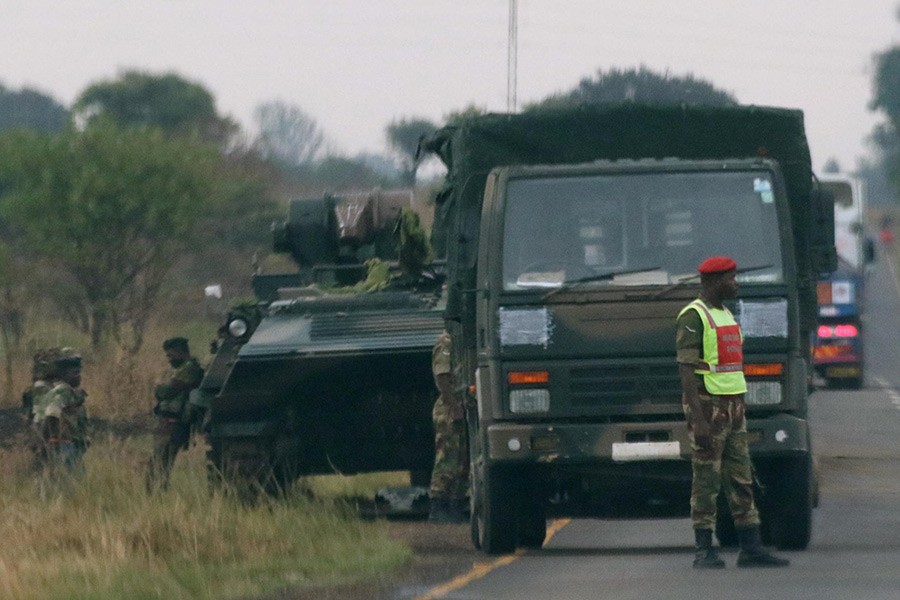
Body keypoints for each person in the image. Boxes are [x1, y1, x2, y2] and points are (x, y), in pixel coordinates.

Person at [676, 256, 789, 569]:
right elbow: (686, 371)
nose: (736, 283)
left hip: (733, 407)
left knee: (741, 478)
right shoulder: (693, 316)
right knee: (706, 481)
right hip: (709, 408)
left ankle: (751, 548)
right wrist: (697, 420)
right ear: (713, 282)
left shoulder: (724, 314)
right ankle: (703, 550)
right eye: (730, 278)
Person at [146, 337, 204, 491]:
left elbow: (170, 390)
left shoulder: (189, 368)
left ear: (180, 352)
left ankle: (155, 492)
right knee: (161, 461)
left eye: (171, 355)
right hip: (171, 421)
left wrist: (159, 389)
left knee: (160, 461)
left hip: (174, 422)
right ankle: (158, 491)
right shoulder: (186, 368)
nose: (169, 359)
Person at [427, 330, 469, 524]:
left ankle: (455, 504)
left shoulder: (461, 340)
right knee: (447, 457)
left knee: (461, 459)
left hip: (460, 404)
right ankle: (438, 505)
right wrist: (453, 406)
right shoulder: (447, 342)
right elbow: (442, 376)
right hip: (449, 407)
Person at [33, 348, 88, 475]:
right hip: (65, 445)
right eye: (74, 373)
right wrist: (54, 439)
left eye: (79, 373)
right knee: (71, 479)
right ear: (63, 375)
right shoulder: (64, 390)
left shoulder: (66, 391)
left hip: (68, 444)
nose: (78, 376)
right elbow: (52, 414)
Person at [21, 348, 61, 468]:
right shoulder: (49, 391)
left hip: (34, 431)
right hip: (45, 433)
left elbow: (27, 415)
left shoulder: (30, 390)